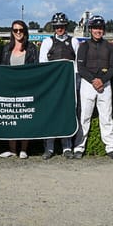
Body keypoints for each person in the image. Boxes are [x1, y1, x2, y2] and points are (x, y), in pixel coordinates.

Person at [73, 15, 113, 159]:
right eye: (95, 28)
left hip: (105, 84)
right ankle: (79, 147)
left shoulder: (109, 46)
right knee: (84, 117)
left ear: (103, 30)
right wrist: (94, 80)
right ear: (90, 29)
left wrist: (102, 80)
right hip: (88, 84)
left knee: (106, 117)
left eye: (100, 28)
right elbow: (80, 67)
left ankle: (110, 148)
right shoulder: (84, 46)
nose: (98, 31)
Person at [39, 12, 80, 159]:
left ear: (65, 26)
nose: (59, 28)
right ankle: (49, 148)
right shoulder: (47, 42)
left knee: (67, 115)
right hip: (52, 86)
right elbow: (43, 64)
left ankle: (67, 147)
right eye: (57, 26)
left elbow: (77, 66)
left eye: (62, 26)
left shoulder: (74, 42)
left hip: (68, 85)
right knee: (50, 115)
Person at [0, 20, 39, 159]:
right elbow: (2, 69)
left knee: (24, 119)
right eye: (15, 30)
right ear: (12, 32)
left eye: (20, 30)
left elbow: (35, 68)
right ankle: (12, 150)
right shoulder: (5, 49)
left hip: (26, 89)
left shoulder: (32, 48)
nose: (18, 33)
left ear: (25, 31)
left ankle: (24, 149)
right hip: (10, 89)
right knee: (11, 119)